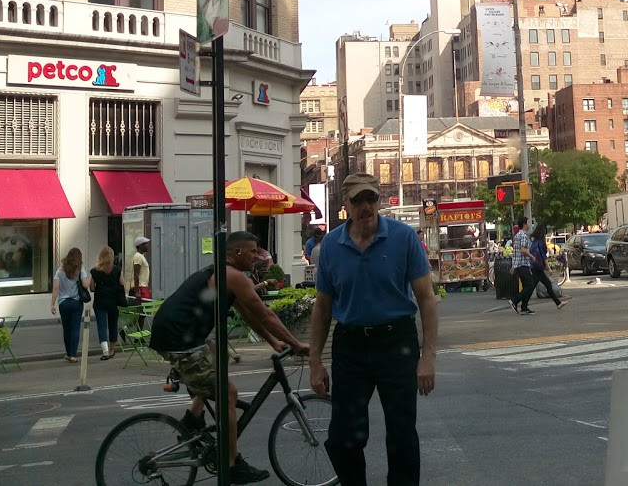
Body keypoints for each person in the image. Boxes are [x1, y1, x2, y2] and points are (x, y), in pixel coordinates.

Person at [309, 173, 439, 486]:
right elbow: (322, 307)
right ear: (346, 204)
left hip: (397, 343)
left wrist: (428, 357)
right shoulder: (331, 246)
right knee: (343, 437)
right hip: (351, 346)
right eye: (357, 200)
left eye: (371, 199)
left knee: (401, 433)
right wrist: (315, 361)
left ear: (379, 200)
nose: (366, 206)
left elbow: (426, 298)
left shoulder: (402, 237)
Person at [149, 230, 308, 484]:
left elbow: (249, 315)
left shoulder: (224, 275)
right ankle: (233, 464)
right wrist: (296, 343)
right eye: (253, 251)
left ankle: (193, 418)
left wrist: (273, 342)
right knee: (228, 394)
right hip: (179, 340)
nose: (257, 256)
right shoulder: (233, 276)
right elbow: (266, 315)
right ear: (237, 252)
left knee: (216, 355)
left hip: (178, 335)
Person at [50, 248, 90, 363]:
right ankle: (73, 355)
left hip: (63, 303)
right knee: (75, 328)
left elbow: (56, 288)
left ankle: (68, 353)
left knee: (66, 329)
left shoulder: (60, 270)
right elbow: (85, 285)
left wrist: (52, 304)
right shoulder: (80, 269)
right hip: (77, 302)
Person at [90, 245, 127, 360]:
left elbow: (91, 288)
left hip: (100, 302)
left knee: (102, 325)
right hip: (113, 302)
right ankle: (112, 350)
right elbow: (122, 284)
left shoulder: (95, 271)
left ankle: (105, 351)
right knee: (112, 325)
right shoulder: (117, 270)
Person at [529, 222, 566, 309]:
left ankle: (558, 303)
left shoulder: (534, 242)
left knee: (545, 285)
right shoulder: (540, 242)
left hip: (534, 266)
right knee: (533, 287)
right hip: (538, 267)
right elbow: (543, 255)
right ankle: (517, 301)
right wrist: (548, 267)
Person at [510, 222, 536, 315]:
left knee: (526, 286)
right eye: (528, 222)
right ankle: (514, 300)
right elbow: (523, 250)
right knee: (530, 285)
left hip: (518, 264)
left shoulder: (517, 235)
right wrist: (532, 256)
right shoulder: (523, 235)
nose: (530, 224)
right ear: (524, 224)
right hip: (522, 264)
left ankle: (524, 307)